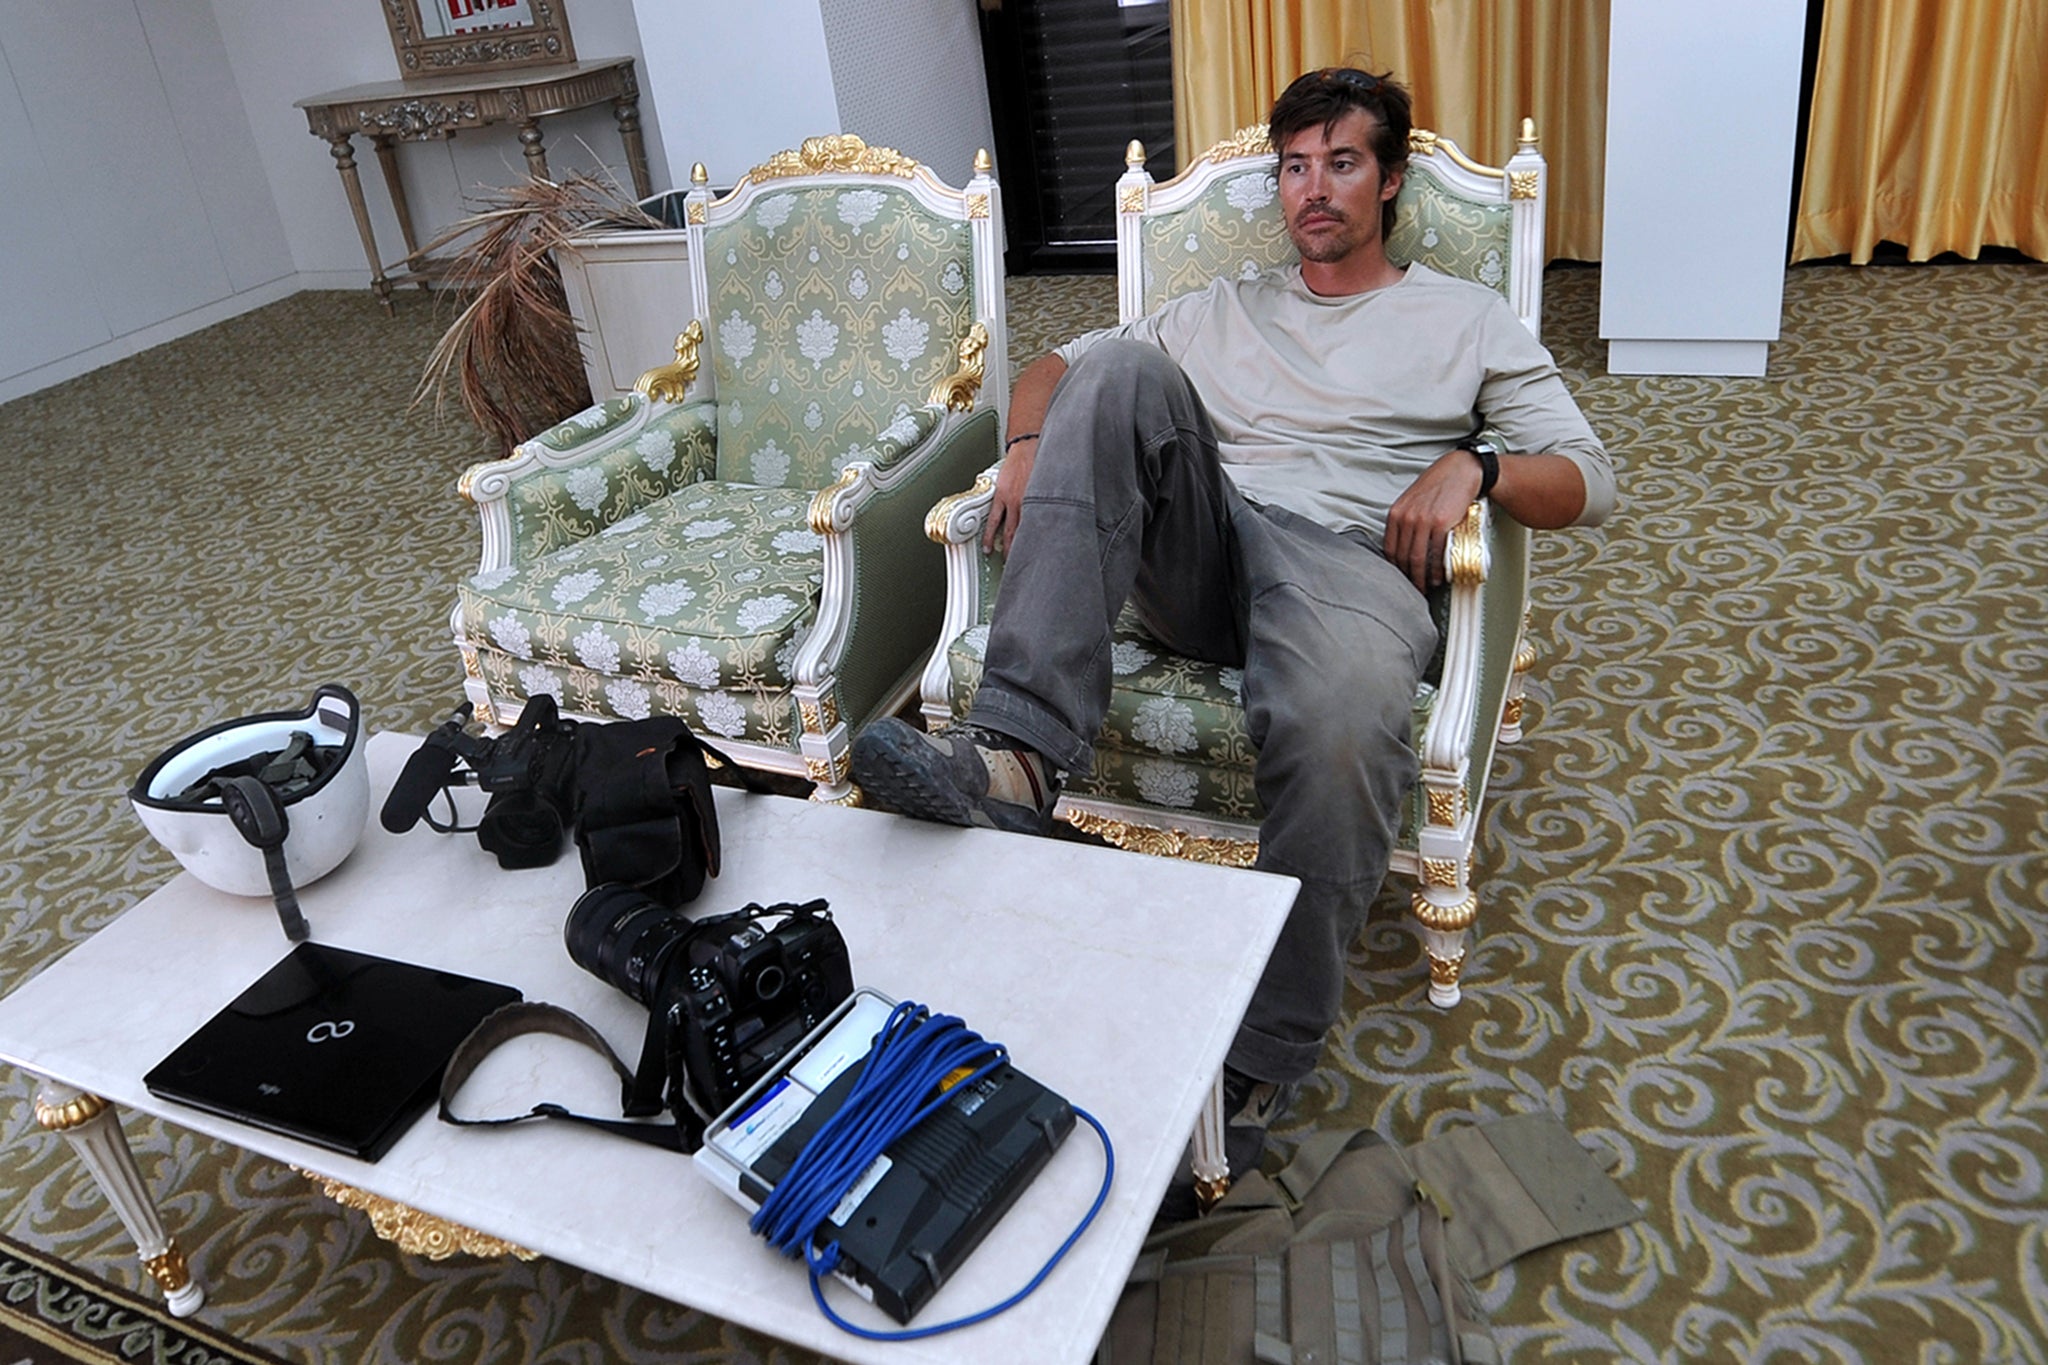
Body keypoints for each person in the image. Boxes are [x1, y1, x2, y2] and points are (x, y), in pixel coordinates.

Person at [852, 68, 1615, 1186]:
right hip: (1205, 551)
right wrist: (1022, 447)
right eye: (1294, 167)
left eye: (1340, 164)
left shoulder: (1465, 318)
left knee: (1347, 720)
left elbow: (1590, 482)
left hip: (1344, 567)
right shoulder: (1222, 307)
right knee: (1113, 366)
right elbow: (1059, 370)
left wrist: (1478, 464)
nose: (1312, 191)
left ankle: (1260, 1048)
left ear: (1388, 178)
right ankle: (1012, 759)